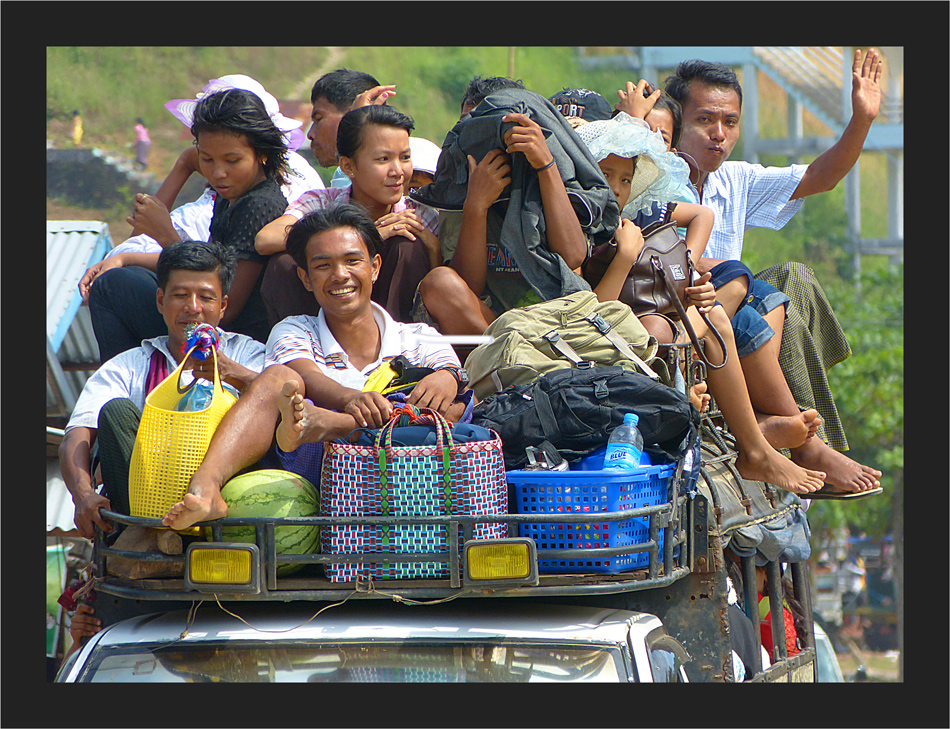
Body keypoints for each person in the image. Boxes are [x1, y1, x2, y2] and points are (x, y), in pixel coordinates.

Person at [161, 204, 469, 531]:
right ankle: (206, 487)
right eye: (323, 266)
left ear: (375, 267)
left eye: (352, 261)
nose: (340, 275)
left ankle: (333, 425)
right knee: (279, 379)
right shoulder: (294, 330)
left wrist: (449, 376)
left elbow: (451, 407)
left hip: (407, 487)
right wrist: (352, 399)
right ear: (306, 279)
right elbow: (303, 376)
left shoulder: (419, 338)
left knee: (445, 415)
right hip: (308, 483)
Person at [656, 53, 883, 495]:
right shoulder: (652, 180)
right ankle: (801, 443)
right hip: (683, 324)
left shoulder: (734, 179)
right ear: (677, 123)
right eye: (705, 120)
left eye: (730, 122)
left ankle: (767, 422)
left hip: (728, 324)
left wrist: (863, 119)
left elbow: (821, 176)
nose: (719, 135)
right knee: (742, 297)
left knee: (784, 287)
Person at [574, 113, 824, 495]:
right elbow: (595, 313)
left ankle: (754, 448)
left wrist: (687, 272)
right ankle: (749, 427)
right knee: (664, 329)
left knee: (721, 311)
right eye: (607, 175)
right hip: (621, 332)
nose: (617, 188)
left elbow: (701, 215)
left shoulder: (641, 213)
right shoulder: (584, 230)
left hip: (667, 314)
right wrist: (625, 257)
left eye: (625, 179)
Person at [79, 74, 324, 329]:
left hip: (231, 336)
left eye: (232, 161)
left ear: (261, 153)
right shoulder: (230, 196)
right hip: (208, 316)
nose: (218, 173)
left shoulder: (258, 205)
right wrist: (125, 258)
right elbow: (210, 264)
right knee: (126, 274)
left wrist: (166, 235)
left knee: (113, 286)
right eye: (207, 160)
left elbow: (219, 306)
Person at [60, 241, 266, 540]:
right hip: (145, 507)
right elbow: (76, 435)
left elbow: (279, 401)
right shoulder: (130, 365)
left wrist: (235, 375)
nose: (192, 307)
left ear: (222, 306)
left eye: (206, 297)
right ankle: (150, 534)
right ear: (160, 300)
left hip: (225, 509)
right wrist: (82, 493)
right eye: (180, 295)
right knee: (116, 412)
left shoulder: (251, 356)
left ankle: (174, 523)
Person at [412, 87, 615, 336]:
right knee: (439, 283)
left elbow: (573, 256)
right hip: (494, 329)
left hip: (556, 321)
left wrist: (545, 164)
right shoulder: (459, 189)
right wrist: (476, 206)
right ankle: (518, 353)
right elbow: (468, 287)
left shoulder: (556, 177)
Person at [256, 104, 441, 324]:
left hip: (395, 331)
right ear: (348, 166)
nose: (398, 171)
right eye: (383, 159)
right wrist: (365, 237)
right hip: (327, 319)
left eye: (404, 158)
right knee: (284, 263)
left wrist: (433, 247)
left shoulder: (420, 214)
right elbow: (265, 240)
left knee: (407, 244)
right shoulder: (322, 202)